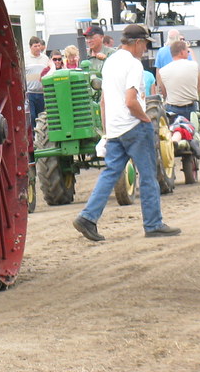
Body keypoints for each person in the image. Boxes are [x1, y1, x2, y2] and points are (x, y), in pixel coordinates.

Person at [73, 24, 181, 241]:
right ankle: (153, 224)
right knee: (148, 175)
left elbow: (104, 101)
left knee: (110, 173)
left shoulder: (109, 62)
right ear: (138, 42)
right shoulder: (133, 65)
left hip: (114, 128)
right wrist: (145, 119)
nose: (145, 50)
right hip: (133, 126)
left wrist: (106, 131)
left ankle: (88, 217)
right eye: (145, 45)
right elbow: (131, 101)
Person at [158, 39, 200, 124]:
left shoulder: (162, 71)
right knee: (192, 133)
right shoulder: (194, 65)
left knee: (174, 132)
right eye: (187, 51)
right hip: (190, 107)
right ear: (182, 52)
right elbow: (199, 87)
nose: (188, 53)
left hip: (172, 108)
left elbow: (164, 92)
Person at [24, 37, 51, 130]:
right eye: (35, 46)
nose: (38, 48)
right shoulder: (25, 58)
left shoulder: (45, 58)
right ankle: (32, 136)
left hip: (42, 93)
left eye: (39, 46)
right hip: (30, 92)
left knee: (42, 116)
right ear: (30, 47)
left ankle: (40, 137)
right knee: (31, 116)